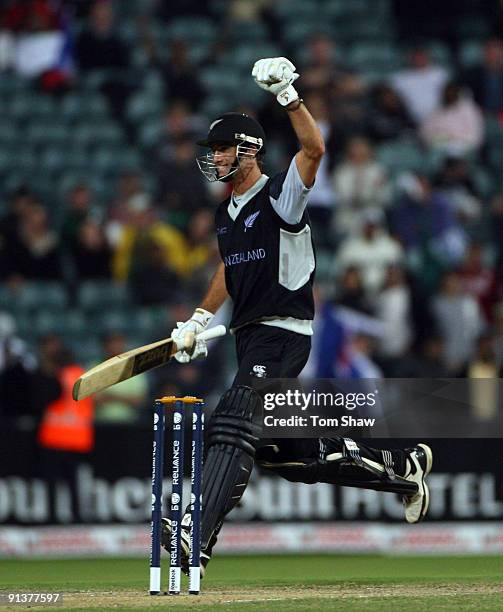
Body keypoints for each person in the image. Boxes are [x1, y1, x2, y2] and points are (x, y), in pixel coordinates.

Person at [161, 57, 433, 577]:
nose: (215, 157)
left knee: (234, 417)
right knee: (287, 453)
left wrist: (289, 95)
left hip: (284, 333)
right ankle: (402, 468)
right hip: (249, 336)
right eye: (213, 149)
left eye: (223, 148)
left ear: (249, 150)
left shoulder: (280, 195)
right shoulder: (225, 213)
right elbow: (229, 268)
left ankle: (195, 535)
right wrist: (198, 319)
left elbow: (315, 150)